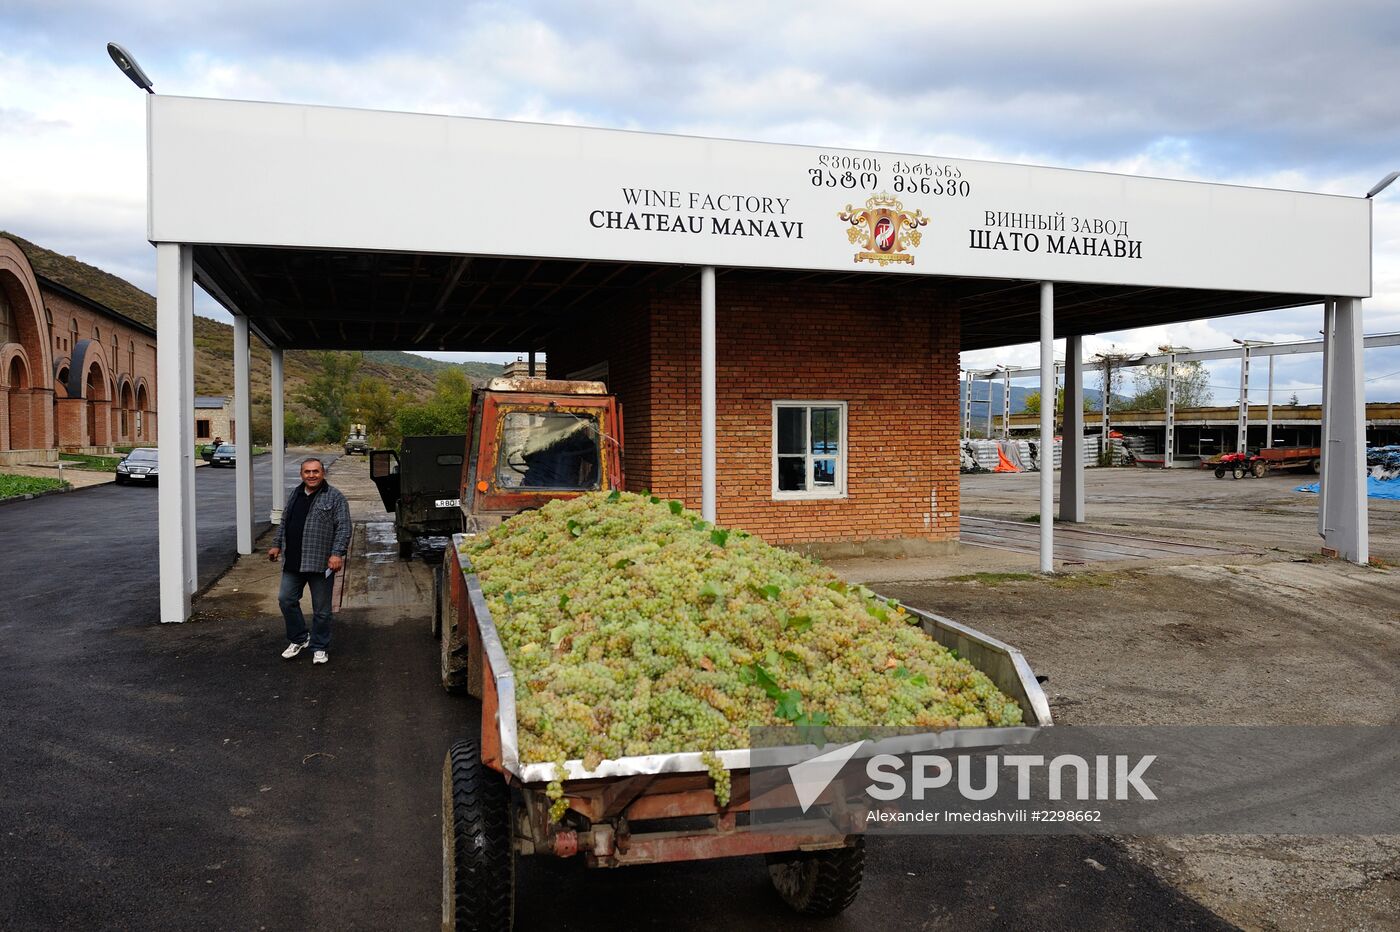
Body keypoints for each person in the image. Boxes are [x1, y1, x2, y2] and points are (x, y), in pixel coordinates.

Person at [268, 457, 351, 665]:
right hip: (293, 561)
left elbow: (343, 528)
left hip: (321, 563)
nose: (311, 475)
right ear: (301, 474)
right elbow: (285, 522)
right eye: (307, 472)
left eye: (315, 471)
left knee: (322, 611)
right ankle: (299, 638)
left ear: (323, 473)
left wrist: (336, 553)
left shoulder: (335, 497)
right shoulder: (295, 494)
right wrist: (276, 544)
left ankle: (320, 646)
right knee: (286, 600)